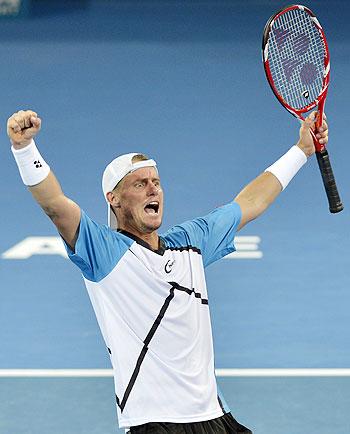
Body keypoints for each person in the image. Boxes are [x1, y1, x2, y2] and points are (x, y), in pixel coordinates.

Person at [7, 109, 327, 434]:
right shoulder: (103, 252)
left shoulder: (190, 241)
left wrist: (301, 151)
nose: (153, 190)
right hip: (154, 421)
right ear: (114, 199)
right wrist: (24, 150)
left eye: (156, 183)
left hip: (215, 417)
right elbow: (54, 204)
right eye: (140, 184)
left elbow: (250, 203)